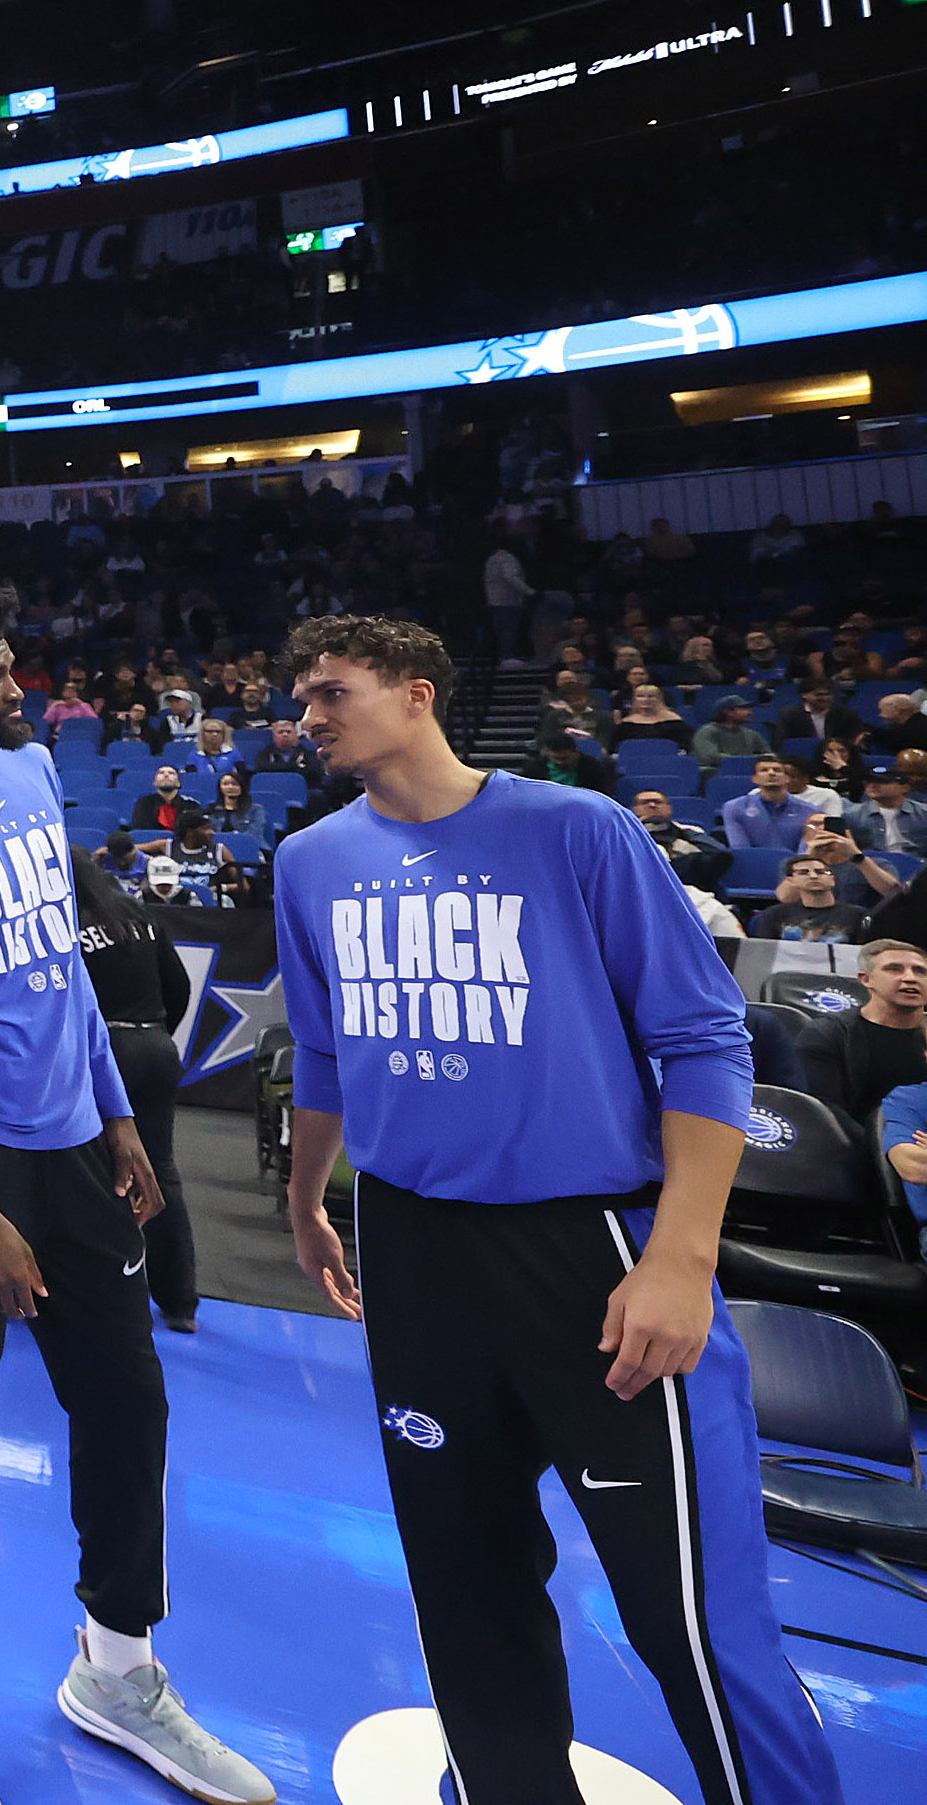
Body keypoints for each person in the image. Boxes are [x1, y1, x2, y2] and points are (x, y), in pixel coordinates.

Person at [273, 614, 841, 1805]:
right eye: (299, 694)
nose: (306, 712)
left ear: (415, 692)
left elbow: (700, 1038)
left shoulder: (572, 828)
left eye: (329, 689)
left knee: (685, 1607)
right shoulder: (309, 858)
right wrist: (304, 1198)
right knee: (462, 1577)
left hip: (587, 1243)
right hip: (410, 1240)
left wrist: (680, 1258)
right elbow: (320, 1051)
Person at [0, 567, 262, 1805]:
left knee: (126, 1398)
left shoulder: (26, 772)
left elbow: (57, 968)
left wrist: (117, 1114)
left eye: (9, 660)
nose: (15, 684)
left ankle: (115, 1664)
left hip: (74, 1135)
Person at [68, 853, 200, 1331]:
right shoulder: (139, 916)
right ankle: (181, 1301)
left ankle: (103, 1291)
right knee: (160, 1168)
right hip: (157, 1046)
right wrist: (159, 1031)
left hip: (105, 1054)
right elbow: (180, 986)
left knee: (95, 1173)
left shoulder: (67, 924)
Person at [794, 935, 924, 1118]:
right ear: (866, 979)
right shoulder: (828, 1034)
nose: (910, 978)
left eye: (920, 971)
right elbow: (823, 1112)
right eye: (894, 969)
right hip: (850, 1142)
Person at [750, 850, 868, 944]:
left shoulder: (857, 915)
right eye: (803, 872)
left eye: (820, 872)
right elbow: (764, 953)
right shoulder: (774, 914)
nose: (813, 876)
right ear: (791, 881)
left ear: (833, 879)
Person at [631, 786, 733, 890]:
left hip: (685, 885)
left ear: (669, 809)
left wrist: (677, 830)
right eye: (645, 803)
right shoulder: (626, 833)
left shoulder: (689, 831)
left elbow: (720, 853)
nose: (652, 805)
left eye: (658, 802)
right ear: (634, 809)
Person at [719, 756, 810, 852]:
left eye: (777, 770)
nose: (771, 773)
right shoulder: (734, 807)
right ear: (754, 778)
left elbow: (804, 851)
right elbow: (740, 849)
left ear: (787, 778)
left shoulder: (809, 811)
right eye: (764, 770)